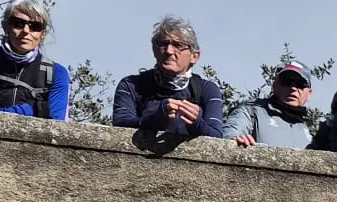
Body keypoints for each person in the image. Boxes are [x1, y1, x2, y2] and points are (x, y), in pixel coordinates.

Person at [112, 17, 223, 150]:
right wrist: (155, 118)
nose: (169, 51)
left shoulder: (207, 89)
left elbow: (217, 137)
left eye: (178, 45)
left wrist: (197, 123)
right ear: (154, 50)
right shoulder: (131, 85)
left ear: (194, 56)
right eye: (163, 44)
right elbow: (119, 126)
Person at [0, 0, 69, 120]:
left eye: (35, 26)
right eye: (18, 24)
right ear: (5, 26)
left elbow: (56, 125)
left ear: (42, 34)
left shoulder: (56, 74)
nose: (26, 31)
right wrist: (24, 111)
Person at [227, 58, 319, 150]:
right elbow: (229, 136)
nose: (293, 88)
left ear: (309, 93)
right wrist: (235, 140)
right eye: (287, 81)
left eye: (300, 84)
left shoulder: (312, 130)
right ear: (274, 86)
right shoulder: (251, 113)